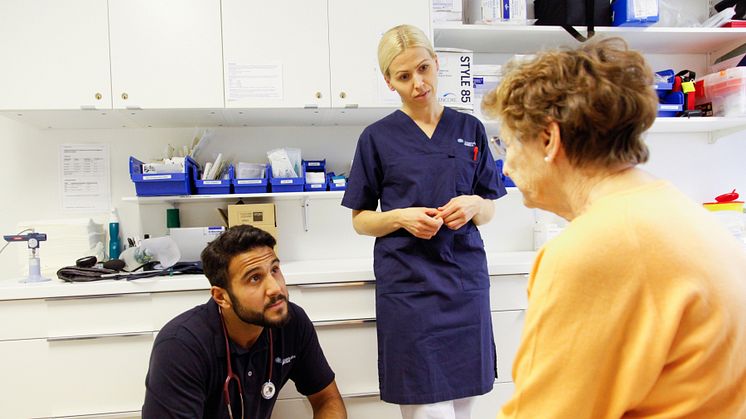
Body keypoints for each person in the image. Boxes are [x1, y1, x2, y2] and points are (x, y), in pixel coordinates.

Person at [481, 37, 746, 418]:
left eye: (507, 146)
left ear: (548, 139)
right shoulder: (681, 214)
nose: (505, 167)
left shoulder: (592, 250)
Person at [341, 24, 506, 419]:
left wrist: (470, 205)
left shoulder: (470, 129)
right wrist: (400, 218)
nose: (418, 83)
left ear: (436, 65)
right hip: (409, 289)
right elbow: (360, 220)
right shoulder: (376, 138)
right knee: (424, 408)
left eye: (424, 68)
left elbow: (490, 208)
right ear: (389, 82)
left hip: (463, 282)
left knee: (465, 405)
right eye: (404, 76)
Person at [142, 224, 347, 419]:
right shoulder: (180, 347)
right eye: (255, 278)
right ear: (221, 297)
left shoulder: (291, 322)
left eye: (274, 269)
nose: (275, 288)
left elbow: (327, 399)